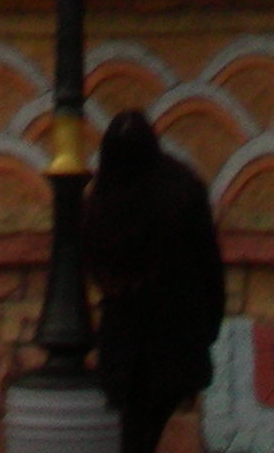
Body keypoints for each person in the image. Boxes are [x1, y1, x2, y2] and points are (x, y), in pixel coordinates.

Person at [82, 109, 225, 453]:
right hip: (173, 337)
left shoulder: (105, 198)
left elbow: (98, 264)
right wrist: (207, 330)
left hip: (138, 339)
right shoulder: (182, 190)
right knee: (142, 430)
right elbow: (209, 268)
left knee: (135, 431)